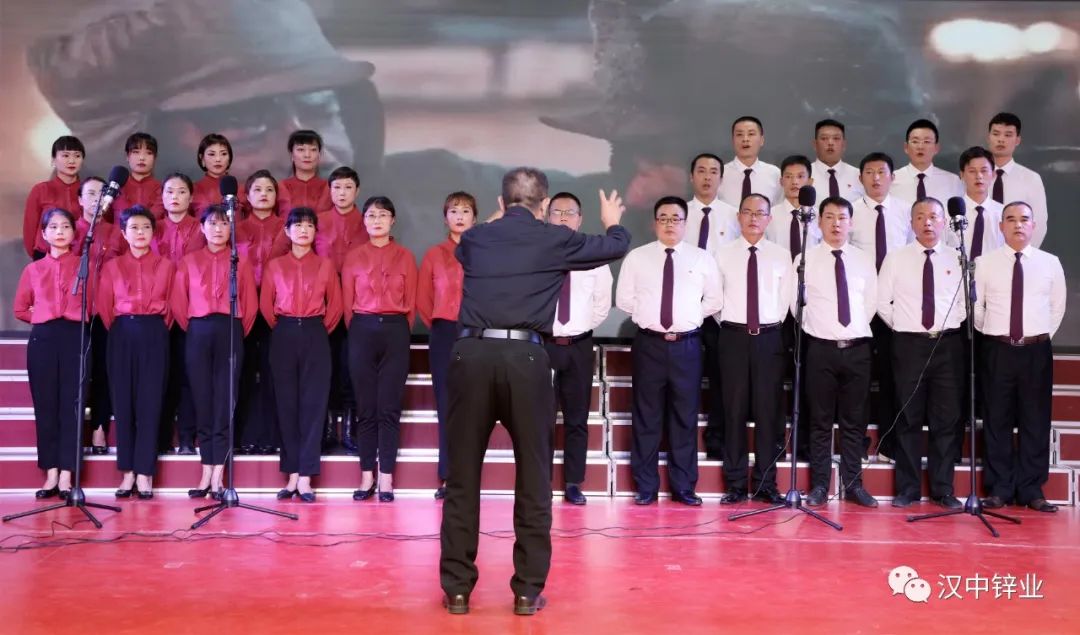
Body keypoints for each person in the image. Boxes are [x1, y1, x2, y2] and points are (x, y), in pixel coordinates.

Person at [440, 168, 630, 616]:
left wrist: (497, 219)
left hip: (471, 355)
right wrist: (612, 221)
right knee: (534, 476)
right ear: (544, 205)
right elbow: (615, 246)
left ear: (501, 202)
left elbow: (468, 246)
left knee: (462, 478)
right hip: (527, 360)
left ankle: (457, 590)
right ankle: (527, 591)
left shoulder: (475, 239)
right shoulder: (554, 238)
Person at [615, 195, 721, 507]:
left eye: (676, 218)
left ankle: (683, 486)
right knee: (646, 416)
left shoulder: (702, 259)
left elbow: (714, 300)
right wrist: (648, 316)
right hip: (649, 344)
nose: (670, 224)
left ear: (686, 223)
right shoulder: (638, 257)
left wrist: (689, 317)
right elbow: (624, 299)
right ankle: (646, 486)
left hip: (687, 346)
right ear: (654, 223)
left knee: (684, 417)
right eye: (663, 218)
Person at [975, 202, 1066, 513]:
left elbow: (1056, 308)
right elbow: (978, 310)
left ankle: (1031, 488)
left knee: (1035, 419)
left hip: (1035, 351)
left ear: (1033, 226)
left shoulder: (1050, 263)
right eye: (1010, 219)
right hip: (997, 348)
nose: (1018, 225)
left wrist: (1035, 337)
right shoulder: (985, 263)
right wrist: (999, 334)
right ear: (1001, 226)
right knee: (996, 418)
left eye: (1024, 219)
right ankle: (999, 487)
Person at [877, 198, 965, 508]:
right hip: (908, 345)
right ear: (912, 223)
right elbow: (882, 302)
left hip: (947, 345)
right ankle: (908, 489)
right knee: (907, 417)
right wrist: (906, 326)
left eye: (934, 217)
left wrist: (946, 327)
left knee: (946, 419)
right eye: (920, 217)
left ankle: (943, 490)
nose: (927, 222)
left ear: (944, 222)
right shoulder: (896, 259)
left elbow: (965, 304)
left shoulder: (958, 258)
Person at [171, 205, 259, 499]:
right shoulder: (189, 261)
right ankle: (205, 471)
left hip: (230, 330)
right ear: (202, 228)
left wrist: (231, 329)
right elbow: (179, 305)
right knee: (203, 401)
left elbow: (250, 306)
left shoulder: (239, 262)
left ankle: (219, 474)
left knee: (224, 402)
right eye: (212, 223)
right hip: (198, 331)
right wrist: (199, 328)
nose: (218, 229)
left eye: (223, 223)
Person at [798, 196, 878, 509]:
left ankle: (853, 484)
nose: (836, 224)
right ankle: (820, 485)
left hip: (857, 349)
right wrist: (822, 328)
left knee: (854, 422)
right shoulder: (805, 259)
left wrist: (848, 330)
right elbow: (797, 306)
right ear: (819, 222)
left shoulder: (863, 260)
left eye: (842, 217)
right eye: (829, 217)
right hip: (821, 348)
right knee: (819, 421)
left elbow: (870, 303)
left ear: (851, 223)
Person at [261, 207, 343, 502]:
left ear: (315, 232)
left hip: (315, 333)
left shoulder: (325, 266)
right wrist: (287, 327)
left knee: (313, 405)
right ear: (287, 231)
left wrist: (314, 329)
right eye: (297, 225)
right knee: (286, 404)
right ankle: (292, 473)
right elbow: (266, 307)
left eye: (309, 226)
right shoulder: (275, 266)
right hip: (283, 332)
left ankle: (306, 476)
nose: (303, 230)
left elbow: (335, 308)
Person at [714, 194, 791, 504]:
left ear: (769, 219)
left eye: (760, 213)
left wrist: (766, 326)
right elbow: (715, 300)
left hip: (769, 338)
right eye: (747, 212)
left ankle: (765, 483)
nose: (753, 218)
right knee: (732, 411)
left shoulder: (781, 256)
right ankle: (734, 484)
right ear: (738, 217)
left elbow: (785, 300)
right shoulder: (722, 254)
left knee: (767, 413)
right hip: (733, 337)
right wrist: (735, 325)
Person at [97, 206, 176, 499]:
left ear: (153, 232)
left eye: (145, 227)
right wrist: (126, 326)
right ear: (123, 232)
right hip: (122, 333)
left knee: (150, 403)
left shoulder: (166, 266)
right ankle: (127, 471)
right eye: (133, 227)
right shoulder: (112, 267)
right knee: (123, 403)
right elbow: (105, 308)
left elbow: (173, 307)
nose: (140, 233)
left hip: (155, 332)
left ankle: (145, 472)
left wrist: (151, 327)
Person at [341, 196, 416, 502]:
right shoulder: (354, 257)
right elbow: (347, 304)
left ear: (392, 220)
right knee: (366, 408)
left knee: (389, 408)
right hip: (362, 328)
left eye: (383, 215)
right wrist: (364, 326)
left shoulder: (405, 257)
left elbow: (411, 304)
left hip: (395, 330)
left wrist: (393, 326)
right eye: (371, 215)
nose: (376, 221)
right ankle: (366, 476)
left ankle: (386, 478)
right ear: (364, 221)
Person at [545, 192, 613, 505]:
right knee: (540, 419)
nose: (562, 217)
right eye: (556, 212)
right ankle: (540, 481)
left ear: (580, 218)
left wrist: (579, 327)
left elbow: (601, 305)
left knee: (577, 418)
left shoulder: (593, 256)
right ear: (547, 217)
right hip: (544, 345)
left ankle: (574, 483)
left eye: (569, 212)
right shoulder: (538, 254)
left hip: (579, 345)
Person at [14, 208, 84, 499]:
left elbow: (95, 304)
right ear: (43, 234)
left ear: (73, 232)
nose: (59, 231)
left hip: (74, 336)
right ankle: (51, 473)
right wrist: (43, 314)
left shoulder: (83, 265)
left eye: (65, 226)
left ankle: (67, 474)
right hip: (43, 338)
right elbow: (20, 309)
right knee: (45, 406)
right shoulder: (33, 270)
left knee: (71, 405)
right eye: (53, 227)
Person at [849, 151, 912, 464]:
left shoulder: (906, 211)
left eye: (882, 172)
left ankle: (889, 443)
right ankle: (856, 444)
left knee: (892, 376)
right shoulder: (849, 212)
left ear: (892, 177)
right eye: (869, 172)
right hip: (859, 305)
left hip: (893, 306)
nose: (876, 178)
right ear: (860, 177)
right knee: (858, 379)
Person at [417, 192, 477, 500]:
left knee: (473, 406)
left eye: (465, 211)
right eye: (454, 211)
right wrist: (442, 326)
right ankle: (447, 475)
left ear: (474, 218)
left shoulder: (482, 253)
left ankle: (467, 477)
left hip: (475, 334)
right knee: (446, 405)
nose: (459, 216)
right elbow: (424, 301)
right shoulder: (434, 254)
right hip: (443, 333)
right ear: (445, 218)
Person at [685, 152, 738, 459]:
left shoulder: (734, 215)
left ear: (721, 177)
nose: (707, 177)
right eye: (701, 171)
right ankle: (683, 440)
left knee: (721, 379)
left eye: (713, 171)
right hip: (684, 309)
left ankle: (717, 438)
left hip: (721, 311)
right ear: (691, 176)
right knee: (685, 379)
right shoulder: (679, 213)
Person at [236, 171, 290, 455]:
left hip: (276, 309)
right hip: (243, 307)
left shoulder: (287, 228)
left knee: (273, 375)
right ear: (247, 195)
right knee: (243, 374)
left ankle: (272, 437)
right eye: (257, 189)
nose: (264, 194)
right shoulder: (235, 228)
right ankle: (243, 436)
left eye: (269, 189)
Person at [316, 166, 368, 453]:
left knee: (351, 368)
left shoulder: (368, 221)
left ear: (357, 191)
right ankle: (324, 429)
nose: (342, 193)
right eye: (336, 187)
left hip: (357, 303)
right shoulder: (318, 221)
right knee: (324, 367)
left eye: (348, 187)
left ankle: (350, 430)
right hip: (321, 303)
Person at [72, 177, 125, 456]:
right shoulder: (70, 229)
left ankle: (100, 427)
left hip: (107, 314)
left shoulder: (117, 233)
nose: (96, 199)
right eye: (90, 194)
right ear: (80, 200)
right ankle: (74, 432)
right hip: (74, 313)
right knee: (77, 374)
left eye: (101, 194)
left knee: (104, 372)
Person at [155, 173, 204, 456]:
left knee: (188, 377)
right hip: (157, 313)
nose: (175, 196)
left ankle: (187, 437)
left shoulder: (202, 229)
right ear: (162, 197)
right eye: (169, 191)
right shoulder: (151, 227)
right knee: (160, 377)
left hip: (191, 312)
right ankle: (162, 437)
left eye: (181, 191)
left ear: (191, 197)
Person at [986, 113, 1048, 248]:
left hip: (1017, 253)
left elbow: (1039, 224)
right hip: (979, 253)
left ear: (1017, 140)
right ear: (988, 137)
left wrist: (1020, 255)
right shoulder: (974, 176)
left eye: (1008, 135)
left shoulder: (1031, 179)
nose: (1001, 139)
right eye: (996, 134)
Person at [23, 136, 83, 260]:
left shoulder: (89, 190)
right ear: (53, 160)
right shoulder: (40, 190)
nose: (72, 161)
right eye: (65, 155)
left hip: (80, 257)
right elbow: (30, 229)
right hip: (45, 256)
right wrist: (38, 257)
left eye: (77, 156)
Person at [891, 119, 962, 204]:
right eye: (915, 141)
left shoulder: (953, 181)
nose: (920, 147)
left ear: (936, 148)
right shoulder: (891, 180)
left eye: (927, 142)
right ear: (906, 147)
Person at [953, 146, 1005, 261]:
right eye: (972, 171)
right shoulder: (949, 213)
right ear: (962, 175)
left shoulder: (1004, 213)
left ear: (993, 175)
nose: (979, 176)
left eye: (984, 171)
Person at [717, 117, 781, 207]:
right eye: (739, 134)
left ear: (762, 140)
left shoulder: (775, 174)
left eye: (751, 134)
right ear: (733, 140)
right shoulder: (719, 174)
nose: (745, 139)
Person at [766, 155, 823, 258]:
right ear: (781, 181)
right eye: (788, 177)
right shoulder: (768, 216)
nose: (794, 182)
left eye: (800, 176)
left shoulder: (820, 217)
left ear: (810, 182)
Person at [111, 132, 166, 220]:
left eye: (148, 153)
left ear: (155, 158)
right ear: (127, 156)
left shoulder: (164, 190)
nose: (142, 158)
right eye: (136, 152)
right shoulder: (115, 187)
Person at [810, 119, 863, 204]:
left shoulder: (859, 176)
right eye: (824, 138)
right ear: (815, 144)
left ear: (844, 144)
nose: (830, 143)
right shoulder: (803, 176)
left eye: (836, 138)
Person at [280, 130, 332, 213]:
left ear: (319, 155)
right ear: (292, 155)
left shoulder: (331, 188)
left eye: (313, 150)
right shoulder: (280, 188)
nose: (307, 155)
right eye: (301, 149)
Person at [191, 134, 238, 217]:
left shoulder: (242, 189)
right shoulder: (192, 190)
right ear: (202, 158)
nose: (218, 159)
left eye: (223, 154)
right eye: (212, 154)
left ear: (229, 158)